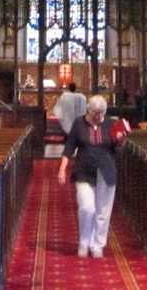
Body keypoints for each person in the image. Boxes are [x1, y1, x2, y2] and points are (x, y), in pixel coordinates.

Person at [57, 94, 121, 259]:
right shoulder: (79, 123)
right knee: (87, 208)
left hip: (106, 171)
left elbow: (117, 149)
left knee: (102, 211)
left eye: (101, 113)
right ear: (89, 110)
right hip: (84, 170)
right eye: (95, 113)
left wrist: (121, 140)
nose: (98, 116)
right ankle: (84, 242)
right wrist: (62, 169)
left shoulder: (111, 124)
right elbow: (69, 147)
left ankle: (97, 245)